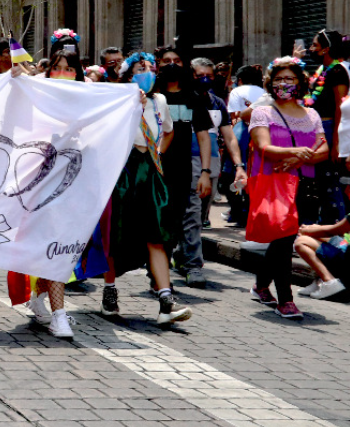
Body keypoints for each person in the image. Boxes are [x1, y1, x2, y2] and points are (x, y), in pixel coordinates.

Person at [101, 53, 192, 325]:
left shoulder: (159, 101)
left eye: (150, 68)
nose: (148, 72)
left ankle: (165, 301)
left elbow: (168, 131)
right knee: (116, 232)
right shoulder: (117, 99)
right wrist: (132, 107)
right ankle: (109, 291)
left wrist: (157, 155)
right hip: (124, 171)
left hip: (150, 170)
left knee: (157, 233)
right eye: (141, 69)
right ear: (128, 76)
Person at [247, 57, 328, 320]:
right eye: (279, 79)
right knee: (283, 240)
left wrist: (298, 158)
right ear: (271, 83)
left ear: (300, 83)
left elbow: (323, 148)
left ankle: (260, 284)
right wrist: (294, 151)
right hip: (275, 182)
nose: (284, 83)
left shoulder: (311, 114)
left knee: (285, 239)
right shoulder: (263, 112)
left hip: (305, 185)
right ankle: (286, 299)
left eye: (290, 79)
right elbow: (263, 147)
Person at [22, 49, 86, 339]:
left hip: (78, 184)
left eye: (69, 69)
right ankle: (59, 315)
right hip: (43, 183)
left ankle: (38, 297)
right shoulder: (39, 99)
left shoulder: (90, 100)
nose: (63, 73)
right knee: (55, 246)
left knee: (63, 247)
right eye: (58, 68)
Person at [154, 54, 214, 288]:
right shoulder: (151, 98)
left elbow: (203, 137)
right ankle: (158, 269)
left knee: (187, 218)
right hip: (155, 170)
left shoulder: (194, 99)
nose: (171, 65)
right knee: (160, 220)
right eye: (166, 60)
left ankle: (191, 265)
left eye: (177, 60)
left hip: (184, 170)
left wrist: (206, 172)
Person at [192, 57, 247, 244]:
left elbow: (230, 136)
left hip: (212, 161)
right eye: (200, 75)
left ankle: (188, 250)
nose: (205, 79)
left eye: (209, 76)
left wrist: (239, 165)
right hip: (186, 160)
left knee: (201, 211)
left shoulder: (217, 103)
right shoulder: (183, 99)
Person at [304, 30, 348, 226]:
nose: (311, 49)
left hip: (329, 128)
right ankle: (324, 225)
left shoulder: (338, 71)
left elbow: (341, 106)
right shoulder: (322, 70)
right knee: (319, 181)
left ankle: (338, 230)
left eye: (314, 45)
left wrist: (336, 142)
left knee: (330, 180)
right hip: (316, 128)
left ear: (326, 49)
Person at [225, 64, 266, 227]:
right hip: (261, 134)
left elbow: (234, 115)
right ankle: (248, 211)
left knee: (232, 172)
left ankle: (238, 211)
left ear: (240, 80)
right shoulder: (265, 93)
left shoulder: (236, 92)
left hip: (241, 133)